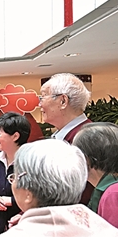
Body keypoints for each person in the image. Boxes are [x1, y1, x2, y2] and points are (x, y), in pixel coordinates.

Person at [39, 72, 94, 203]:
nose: (39, 105)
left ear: (63, 101)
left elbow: (84, 192)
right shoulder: (65, 136)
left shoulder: (87, 138)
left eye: (43, 97)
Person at [0, 112, 31, 236]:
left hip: (25, 224)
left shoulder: (31, 160)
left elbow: (39, 194)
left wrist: (13, 201)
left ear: (15, 136)